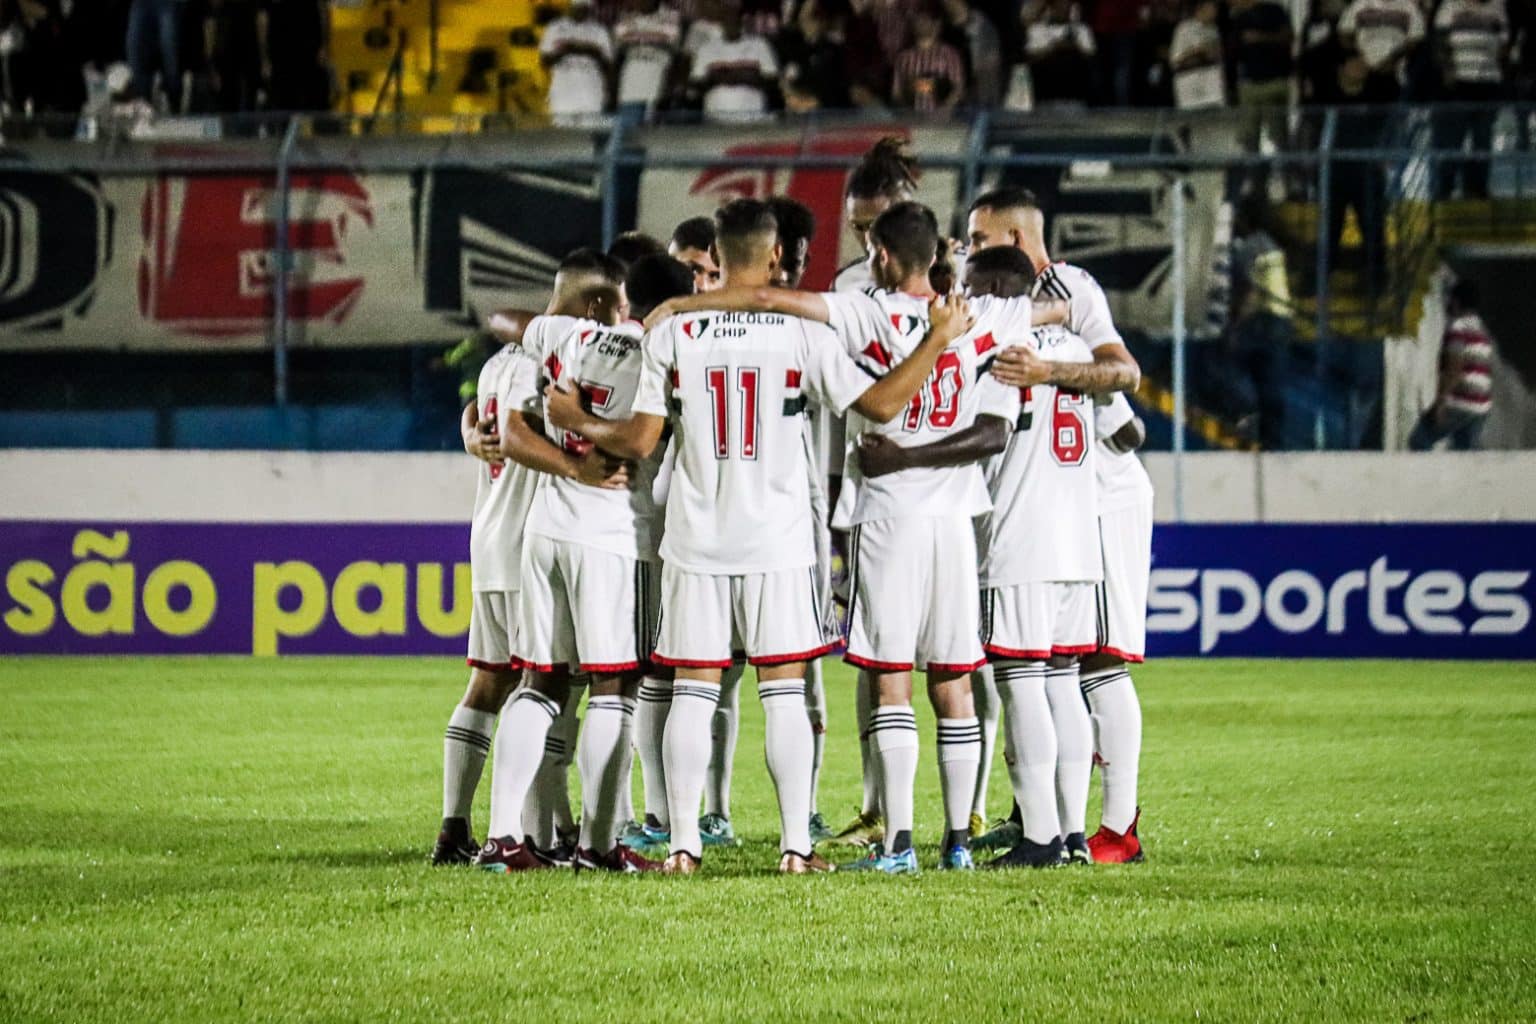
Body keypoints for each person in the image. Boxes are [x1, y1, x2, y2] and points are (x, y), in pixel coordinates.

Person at [545, 198, 975, 875]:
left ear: (715, 256)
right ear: (776, 257)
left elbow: (640, 439)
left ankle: (682, 846)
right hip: (777, 536)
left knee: (694, 686)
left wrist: (575, 417)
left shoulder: (674, 330)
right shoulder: (800, 333)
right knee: (782, 688)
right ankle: (794, 850)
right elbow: (883, 406)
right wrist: (936, 340)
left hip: (695, 533)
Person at [966, 187, 1141, 860]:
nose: (967, 254)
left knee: (1023, 686)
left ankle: (1041, 832)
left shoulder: (1005, 339)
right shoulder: (1073, 344)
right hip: (1076, 533)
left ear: (1009, 243)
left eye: (977, 243)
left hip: (1021, 535)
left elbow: (981, 431)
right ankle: (1070, 831)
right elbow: (1126, 423)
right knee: (1065, 680)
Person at [470, 249, 638, 873]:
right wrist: (590, 456)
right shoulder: (635, 347)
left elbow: (504, 318)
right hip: (604, 531)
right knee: (612, 689)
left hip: (542, 528)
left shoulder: (547, 340)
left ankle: (502, 838)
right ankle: (597, 844)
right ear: (598, 305)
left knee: (539, 682)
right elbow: (643, 440)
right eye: (618, 302)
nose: (626, 312)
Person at [430, 337, 541, 867]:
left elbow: (475, 405)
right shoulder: (553, 360)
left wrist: (470, 431)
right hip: (528, 545)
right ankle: (534, 832)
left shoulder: (503, 361)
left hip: (490, 537)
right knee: (544, 684)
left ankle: (454, 826)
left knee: (489, 681)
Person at [1080, 391, 1153, 864]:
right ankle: (1043, 817)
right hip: (1064, 509)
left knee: (1099, 659)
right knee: (1050, 660)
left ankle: (1118, 830)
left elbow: (1131, 433)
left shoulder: (1073, 355)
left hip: (1104, 502)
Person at [1431, 0, 1509, 199]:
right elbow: (1440, 39)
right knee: (1452, 141)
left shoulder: (1497, 6)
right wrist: (1448, 71)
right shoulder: (1450, 6)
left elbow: (1503, 41)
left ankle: (1478, 188)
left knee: (1483, 140)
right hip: (1457, 83)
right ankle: (1445, 190)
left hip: (1488, 81)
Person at [1409, 280, 1495, 450]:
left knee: (1419, 440)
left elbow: (1455, 369)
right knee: (1464, 457)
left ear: (1456, 302)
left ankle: (1423, 477)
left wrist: (1440, 403)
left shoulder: (1457, 328)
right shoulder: (1482, 331)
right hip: (1481, 405)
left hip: (1459, 403)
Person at [1229, 0, 1294, 180]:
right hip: (1249, 84)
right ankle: (1253, 178)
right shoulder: (1239, 18)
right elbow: (1233, 52)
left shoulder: (1275, 10)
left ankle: (1282, 177)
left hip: (1275, 81)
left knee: (1278, 134)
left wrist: (1261, 37)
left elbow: (1287, 36)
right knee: (1248, 135)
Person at [690, 1, 778, 120]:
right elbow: (696, 84)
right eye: (726, 16)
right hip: (715, 116)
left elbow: (772, 81)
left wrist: (730, 76)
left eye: (734, 16)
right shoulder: (706, 48)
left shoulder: (760, 45)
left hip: (753, 115)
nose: (730, 20)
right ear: (721, 20)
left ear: (742, 19)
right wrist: (735, 76)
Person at [540, 0, 613, 125]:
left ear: (589, 8)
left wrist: (591, 52)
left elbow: (608, 65)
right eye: (577, 7)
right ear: (570, 6)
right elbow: (545, 62)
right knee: (564, 137)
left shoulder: (599, 30)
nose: (581, 11)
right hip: (563, 93)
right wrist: (566, 51)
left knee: (589, 136)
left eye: (584, 7)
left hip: (591, 93)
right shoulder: (554, 28)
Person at [1338, 0, 1424, 99]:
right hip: (1392, 72)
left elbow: (1416, 40)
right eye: (1357, 77)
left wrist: (1394, 58)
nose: (1355, 71)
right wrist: (1396, 57)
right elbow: (1343, 32)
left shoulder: (1408, 6)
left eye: (1351, 75)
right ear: (1363, 78)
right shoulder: (1360, 4)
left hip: (1393, 64)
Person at [892, 2, 966, 113]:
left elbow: (958, 88)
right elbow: (897, 92)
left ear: (937, 24)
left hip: (942, 121)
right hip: (912, 121)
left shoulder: (950, 55)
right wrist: (907, 111)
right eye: (918, 19)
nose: (921, 22)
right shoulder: (903, 57)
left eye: (926, 19)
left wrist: (944, 110)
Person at [1022, 0, 1098, 108]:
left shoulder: (1082, 30)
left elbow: (1090, 54)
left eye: (1067, 4)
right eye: (1060, 4)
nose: (1064, 7)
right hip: (1046, 100)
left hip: (1075, 100)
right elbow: (1032, 55)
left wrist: (1072, 45)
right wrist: (1055, 47)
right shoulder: (1037, 30)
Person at [613, 0, 681, 114]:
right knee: (628, 115)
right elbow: (619, 45)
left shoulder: (671, 16)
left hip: (659, 69)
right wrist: (651, 39)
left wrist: (636, 38)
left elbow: (672, 44)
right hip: (631, 70)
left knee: (650, 117)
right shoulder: (625, 17)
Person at [1169, 0, 1226, 110]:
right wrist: (1197, 51)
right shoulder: (1183, 29)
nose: (1215, 11)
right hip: (1189, 82)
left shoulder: (1214, 30)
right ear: (1201, 8)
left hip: (1211, 83)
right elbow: (1175, 60)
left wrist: (1213, 53)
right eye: (1212, 7)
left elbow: (1217, 56)